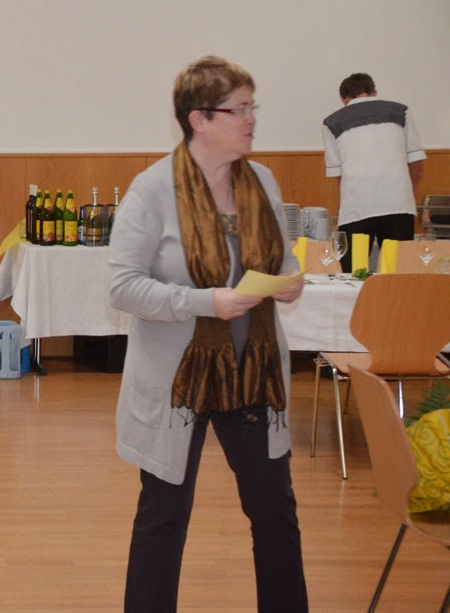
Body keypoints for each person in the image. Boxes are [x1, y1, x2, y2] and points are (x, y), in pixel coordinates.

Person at [108, 56, 309, 612]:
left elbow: (284, 259)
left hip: (254, 376)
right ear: (199, 118)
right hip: (181, 383)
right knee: (163, 519)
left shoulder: (262, 181)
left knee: (275, 514)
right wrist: (205, 302)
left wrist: (289, 282)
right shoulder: (152, 190)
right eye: (239, 109)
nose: (251, 119)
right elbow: (122, 287)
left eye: (251, 107)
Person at [323, 72, 426, 271]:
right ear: (374, 92)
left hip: (357, 208)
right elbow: (416, 163)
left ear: (344, 99)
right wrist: (406, 192)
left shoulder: (331, 122)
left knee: (353, 273)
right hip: (398, 204)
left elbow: (338, 174)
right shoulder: (401, 111)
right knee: (396, 274)